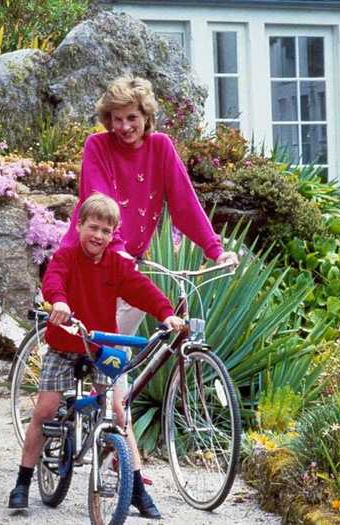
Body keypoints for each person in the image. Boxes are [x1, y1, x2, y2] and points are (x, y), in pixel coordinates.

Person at [57, 76, 240, 518]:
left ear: (146, 117)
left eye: (132, 118)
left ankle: (118, 447)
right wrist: (115, 249)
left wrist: (215, 249)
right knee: (112, 374)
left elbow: (184, 203)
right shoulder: (96, 147)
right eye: (116, 119)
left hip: (128, 268)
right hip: (96, 260)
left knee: (125, 369)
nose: (124, 127)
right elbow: (97, 200)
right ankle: (127, 465)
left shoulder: (161, 149)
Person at [7, 193, 184, 517]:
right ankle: (23, 481)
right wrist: (58, 302)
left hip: (99, 349)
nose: (98, 236)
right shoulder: (67, 256)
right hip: (64, 345)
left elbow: (141, 288)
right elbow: (53, 280)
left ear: (113, 234)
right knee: (45, 409)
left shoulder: (117, 264)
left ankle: (136, 491)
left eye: (106, 230)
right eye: (93, 227)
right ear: (79, 226)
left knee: (118, 412)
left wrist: (166, 312)